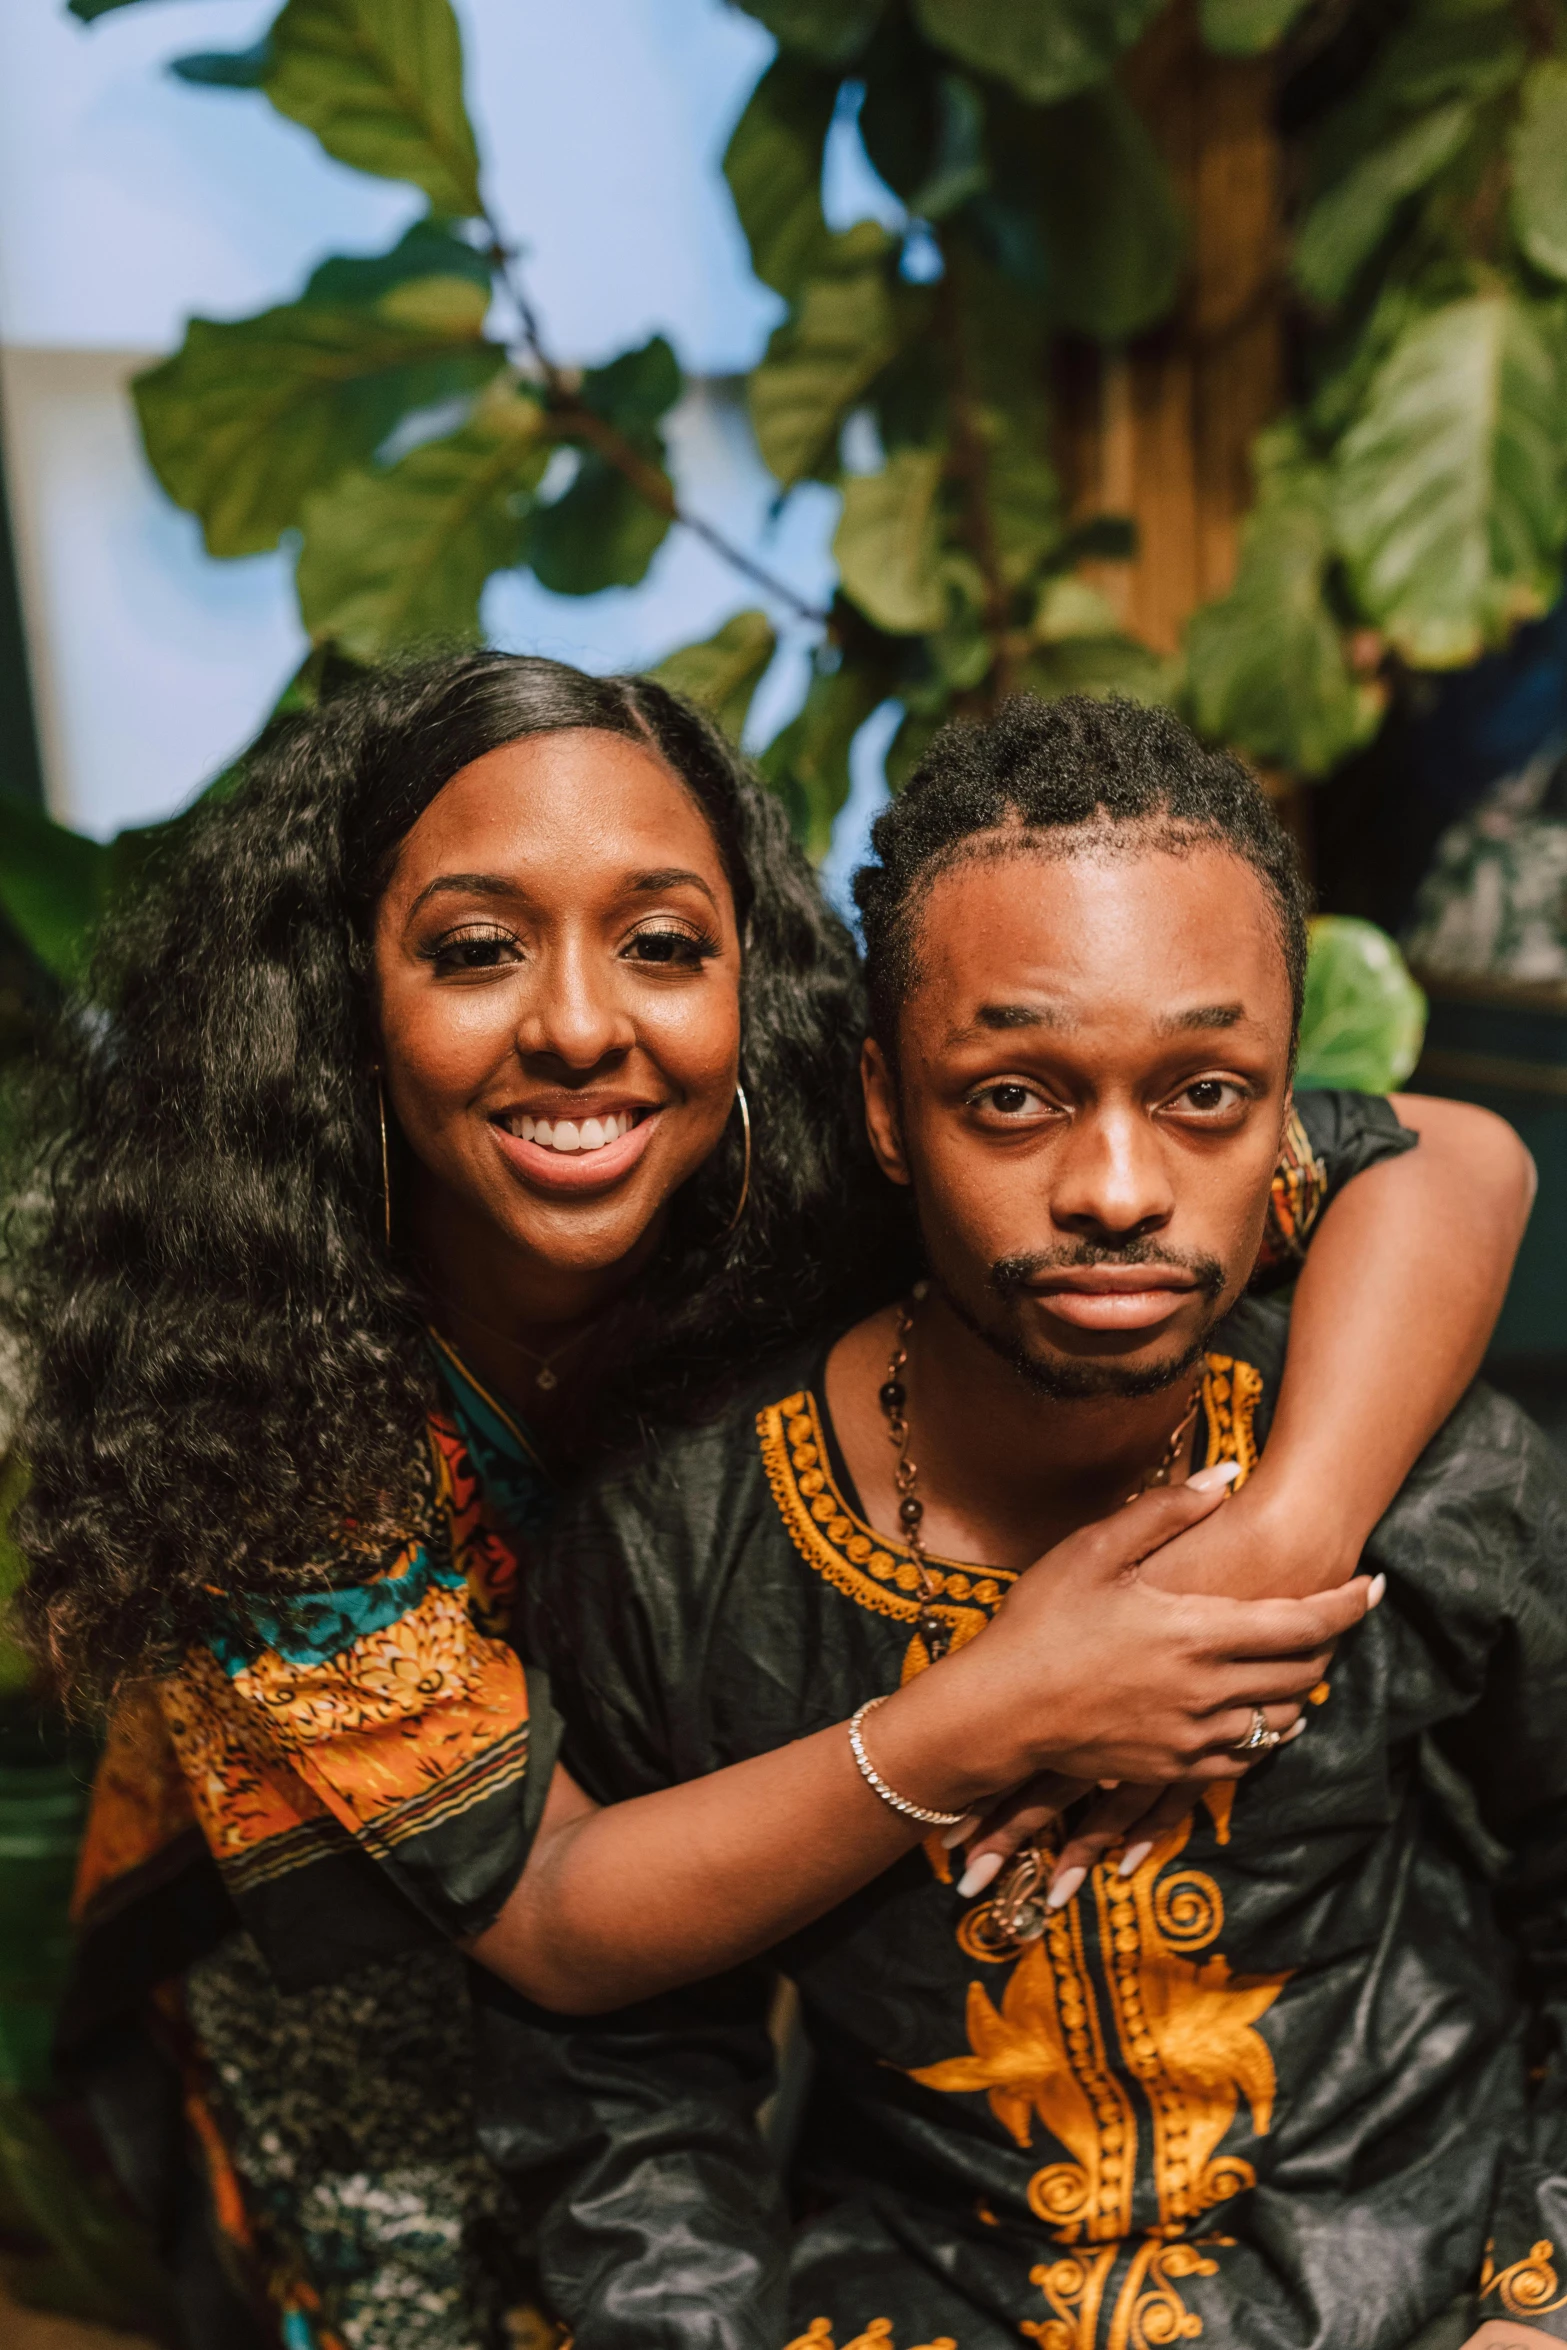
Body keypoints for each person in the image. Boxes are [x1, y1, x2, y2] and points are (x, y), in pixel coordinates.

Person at [11, 660, 1527, 2350]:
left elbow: (1444, 1158)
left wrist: (1273, 1548)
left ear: (756, 980)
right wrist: (997, 1705)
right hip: (382, 1940)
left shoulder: (905, 1146)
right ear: (343, 999)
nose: (581, 1021)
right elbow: (559, 1924)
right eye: (471, 948)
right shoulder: (258, 1401)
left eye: (661, 943)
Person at [488, 695, 1567, 2350]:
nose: (1117, 1188)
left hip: (1429, 2276)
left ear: (1287, 1107)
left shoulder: (1424, 1462)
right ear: (880, 1105)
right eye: (1011, 1098)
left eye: (1204, 1091)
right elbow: (628, 2076)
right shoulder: (678, 1540)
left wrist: (1538, 2291)